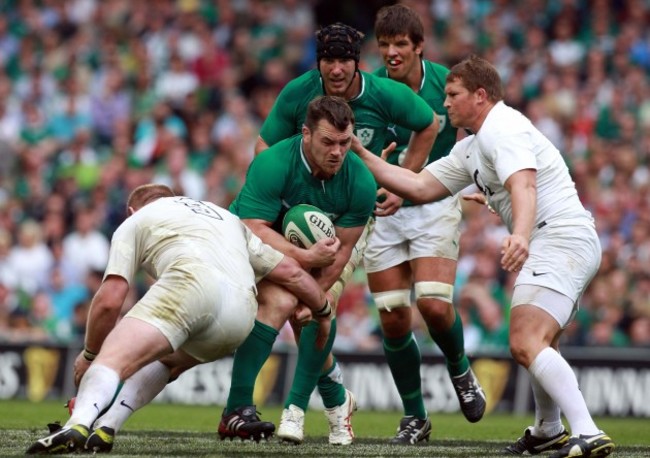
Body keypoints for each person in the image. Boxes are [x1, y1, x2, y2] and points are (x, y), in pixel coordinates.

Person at [350, 54, 615, 458]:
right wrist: (360, 153)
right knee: (542, 341)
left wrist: (521, 235)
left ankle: (588, 431)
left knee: (525, 339)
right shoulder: (473, 145)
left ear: (480, 95)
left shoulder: (501, 128)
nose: (445, 103)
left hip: (557, 238)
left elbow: (524, 185)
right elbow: (419, 187)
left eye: (453, 94)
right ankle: (548, 428)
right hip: (563, 239)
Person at [26, 183, 333, 454]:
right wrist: (324, 311)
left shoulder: (138, 220)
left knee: (113, 359)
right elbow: (291, 274)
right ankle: (107, 427)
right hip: (240, 313)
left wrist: (90, 354)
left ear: (132, 210)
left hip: (189, 284)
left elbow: (109, 301)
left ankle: (78, 424)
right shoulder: (227, 218)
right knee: (167, 361)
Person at [252, 21, 438, 445]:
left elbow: (430, 123)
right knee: (302, 314)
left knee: (313, 309)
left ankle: (297, 410)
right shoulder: (299, 92)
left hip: (354, 220)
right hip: (303, 220)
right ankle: (336, 400)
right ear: (319, 62)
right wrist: (284, 204)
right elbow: (264, 149)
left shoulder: (384, 94)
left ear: (358, 62)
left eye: (344, 60)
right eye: (328, 61)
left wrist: (401, 180)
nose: (335, 69)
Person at [218, 95, 376, 445]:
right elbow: (252, 228)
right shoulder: (273, 163)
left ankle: (263, 408)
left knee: (301, 308)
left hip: (320, 253)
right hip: (248, 239)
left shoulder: (361, 183)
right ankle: (336, 398)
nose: (337, 152)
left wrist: (314, 294)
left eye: (345, 142)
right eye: (327, 142)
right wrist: (303, 260)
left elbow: (342, 251)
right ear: (306, 134)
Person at [368, 5, 485, 445]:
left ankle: (459, 367)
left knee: (434, 305)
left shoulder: (446, 84)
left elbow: (474, 134)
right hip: (383, 209)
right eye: (385, 45)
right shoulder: (372, 90)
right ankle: (415, 417)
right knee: (394, 317)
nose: (392, 53)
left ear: (419, 46)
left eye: (401, 44)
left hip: (434, 201)